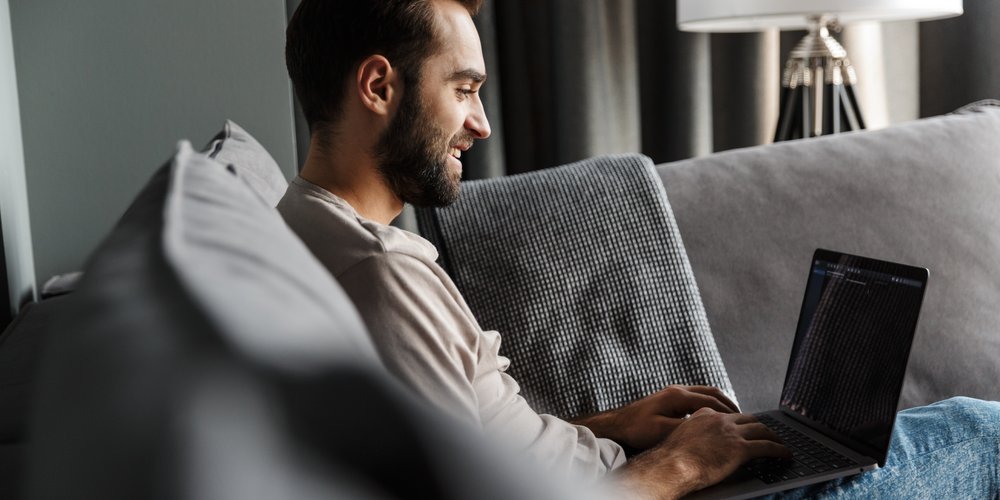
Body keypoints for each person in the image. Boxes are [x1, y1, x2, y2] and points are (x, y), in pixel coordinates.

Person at [277, 0, 1000, 498]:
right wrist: (681, 466)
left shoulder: (308, 228)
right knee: (980, 428)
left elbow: (474, 451)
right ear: (378, 86)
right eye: (464, 89)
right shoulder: (379, 275)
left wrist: (613, 430)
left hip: (627, 472)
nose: (481, 124)